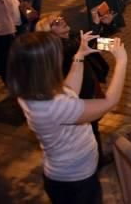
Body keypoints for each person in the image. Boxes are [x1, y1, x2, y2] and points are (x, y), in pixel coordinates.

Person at [7, 31, 127, 204]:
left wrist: (79, 56)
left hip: (68, 177)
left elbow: (69, 91)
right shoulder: (52, 106)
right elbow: (110, 102)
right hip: (76, 182)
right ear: (45, 66)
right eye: (57, 55)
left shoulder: (31, 92)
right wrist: (122, 61)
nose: (60, 57)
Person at [36, 15, 111, 168]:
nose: (62, 20)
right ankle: (96, 162)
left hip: (89, 87)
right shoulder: (58, 49)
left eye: (60, 17)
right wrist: (96, 24)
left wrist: (112, 41)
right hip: (78, 94)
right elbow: (81, 46)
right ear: (49, 33)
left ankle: (97, 158)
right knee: (90, 126)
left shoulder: (73, 37)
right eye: (55, 22)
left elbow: (96, 44)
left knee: (93, 125)